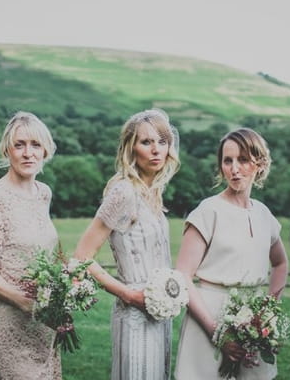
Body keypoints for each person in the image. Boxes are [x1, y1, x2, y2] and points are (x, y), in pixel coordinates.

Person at [73, 108, 180, 380]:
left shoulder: (153, 193)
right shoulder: (123, 192)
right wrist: (129, 295)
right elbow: (82, 257)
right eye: (146, 142)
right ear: (131, 148)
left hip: (160, 315)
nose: (156, 150)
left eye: (162, 141)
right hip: (133, 314)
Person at [174, 128, 288, 380]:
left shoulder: (263, 214)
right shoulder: (208, 211)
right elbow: (183, 274)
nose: (234, 168)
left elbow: (280, 263)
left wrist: (268, 311)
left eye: (243, 159)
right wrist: (217, 332)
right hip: (209, 316)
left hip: (254, 323)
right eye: (228, 161)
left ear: (259, 163)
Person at [0, 111, 61, 379]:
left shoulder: (44, 193)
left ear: (46, 150)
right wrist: (23, 301)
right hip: (9, 323)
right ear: (7, 150)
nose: (28, 153)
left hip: (44, 328)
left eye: (35, 145)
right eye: (19, 145)